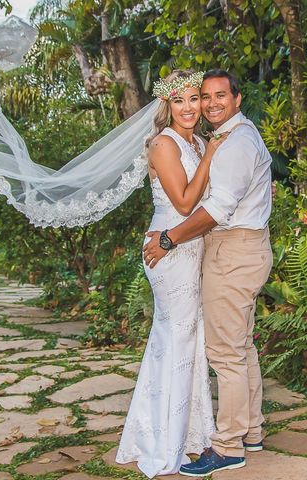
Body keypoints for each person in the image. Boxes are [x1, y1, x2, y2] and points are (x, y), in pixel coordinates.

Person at [143, 69, 273, 477]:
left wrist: (168, 240)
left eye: (219, 96)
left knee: (225, 353)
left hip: (231, 252)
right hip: (231, 250)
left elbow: (216, 209)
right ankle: (249, 431)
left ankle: (229, 444)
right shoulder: (225, 137)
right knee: (239, 347)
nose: (210, 103)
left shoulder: (233, 143)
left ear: (237, 99)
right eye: (205, 95)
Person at [115, 70, 228, 478]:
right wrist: (213, 156)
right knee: (178, 338)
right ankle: (166, 442)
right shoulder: (163, 144)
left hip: (192, 247)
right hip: (169, 248)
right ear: (167, 104)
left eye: (194, 99)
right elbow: (183, 203)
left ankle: (189, 433)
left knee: (186, 339)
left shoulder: (195, 141)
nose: (189, 108)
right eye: (179, 101)